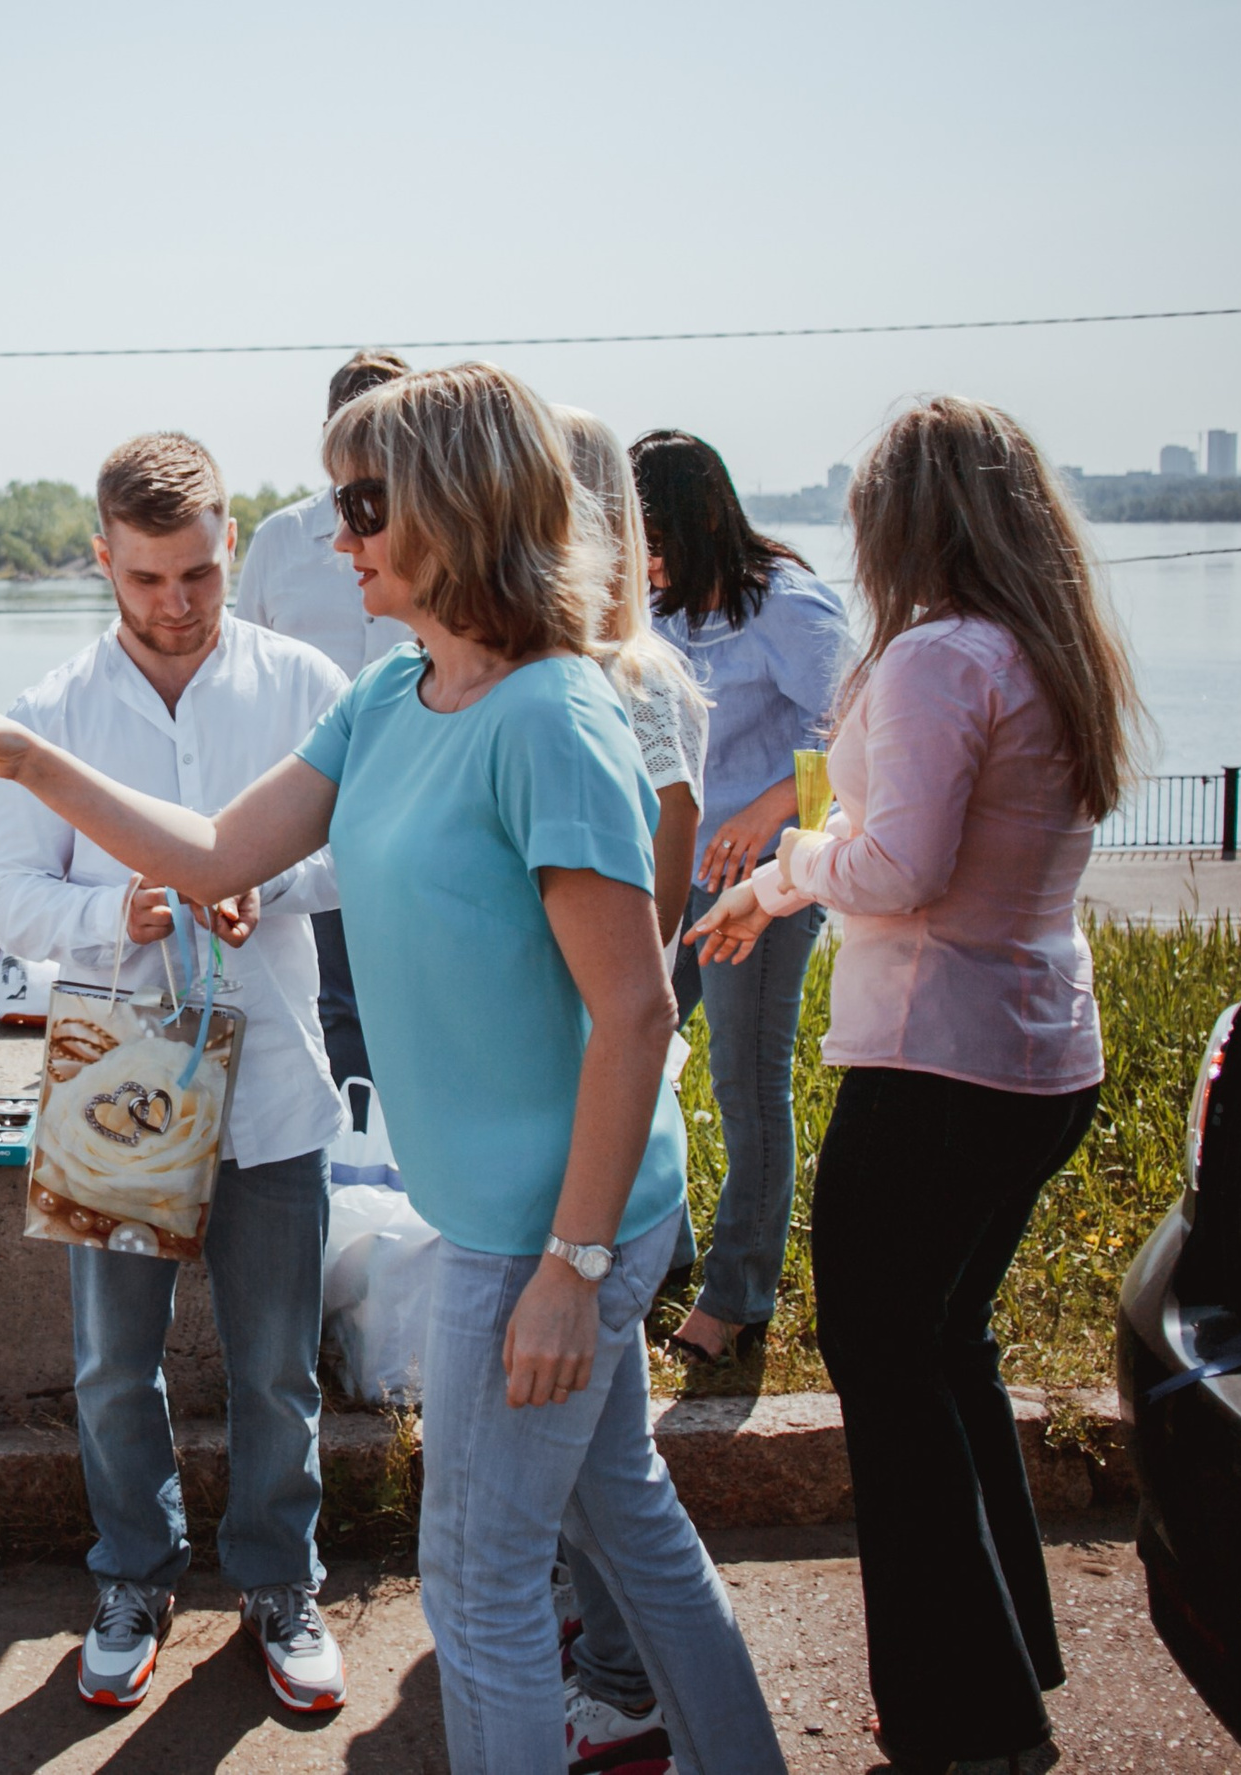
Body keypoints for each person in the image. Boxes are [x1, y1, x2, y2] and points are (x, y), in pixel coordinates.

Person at [0, 364, 783, 1771]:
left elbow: (636, 1016)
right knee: (627, 1516)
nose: (338, 536)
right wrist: (32, 760)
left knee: (480, 1585)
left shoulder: (552, 716)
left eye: (364, 503)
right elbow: (219, 848)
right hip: (497, 1206)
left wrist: (572, 1267)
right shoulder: (394, 690)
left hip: (540, 1225)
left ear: (453, 509)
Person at [689, 397, 1139, 1775]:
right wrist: (783, 880)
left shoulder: (939, 655)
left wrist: (786, 866)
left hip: (936, 1056)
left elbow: (898, 865)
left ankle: (963, 1712)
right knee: (946, 1348)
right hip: (1040, 1051)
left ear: (901, 519)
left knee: (886, 1360)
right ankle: (1006, 1656)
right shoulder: (1051, 644)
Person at [0, 432, 352, 1714]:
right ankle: (132, 1574)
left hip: (276, 1076)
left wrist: (268, 880)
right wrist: (114, 913)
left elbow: (360, 847)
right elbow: (5, 895)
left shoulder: (306, 683)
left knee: (278, 1365)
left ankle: (281, 1580)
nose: (176, 603)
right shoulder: (49, 708)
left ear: (230, 542)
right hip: (117, 1071)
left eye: (197, 573)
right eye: (145, 578)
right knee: (109, 1364)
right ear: (102, 558)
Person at [550, 407, 714, 1775]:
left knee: (598, 1440)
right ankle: (593, 1638)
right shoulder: (597, 668)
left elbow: (670, 840)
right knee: (593, 1435)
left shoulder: (622, 675)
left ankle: (619, 1683)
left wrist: (621, 976)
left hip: (594, 1072)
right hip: (577, 1070)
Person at [634, 428, 849, 1365]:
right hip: (673, 867)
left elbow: (852, 737)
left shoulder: (789, 606)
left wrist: (769, 806)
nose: (640, 559)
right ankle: (665, 1249)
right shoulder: (658, 612)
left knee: (745, 1083)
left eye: (650, 538)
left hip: (766, 881)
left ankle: (737, 1296)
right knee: (635, 1049)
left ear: (698, 523)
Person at [231, 348, 415, 1111]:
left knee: (410, 992)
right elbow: (240, 673)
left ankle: (403, 1149)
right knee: (335, 998)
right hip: (314, 804)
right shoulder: (280, 541)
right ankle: (351, 1146)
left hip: (415, 797)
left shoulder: (439, 542)